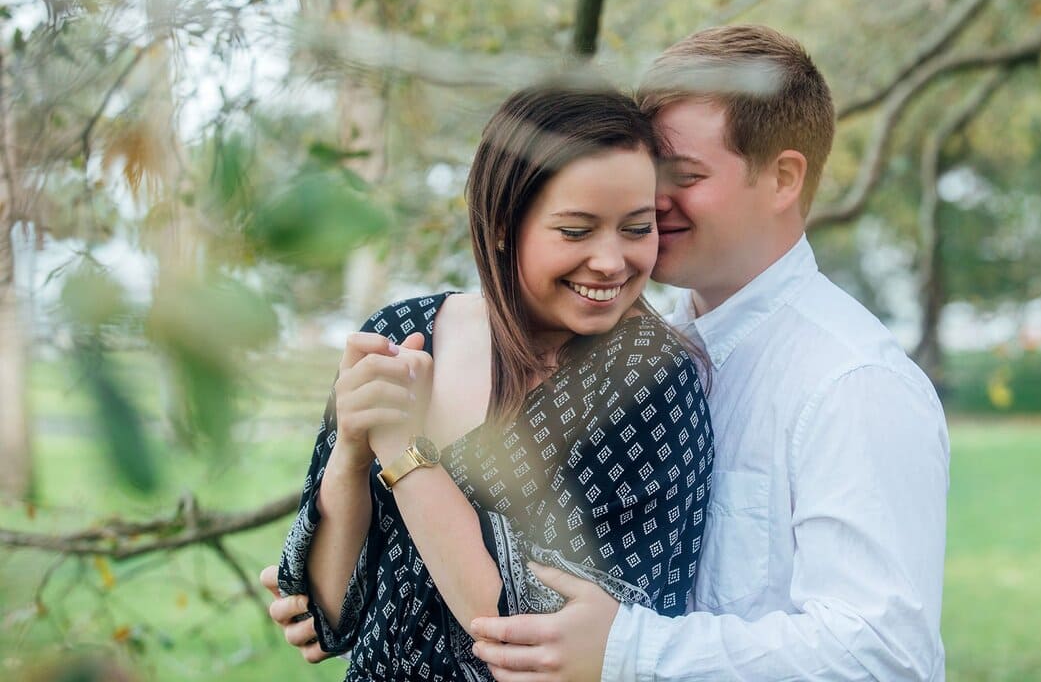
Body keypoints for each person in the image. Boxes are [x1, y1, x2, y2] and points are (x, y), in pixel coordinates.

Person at [465, 25, 951, 680]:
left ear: (782, 178)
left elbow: (883, 655)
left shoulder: (851, 381)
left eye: (684, 176)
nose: (649, 201)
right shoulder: (628, 352)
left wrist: (628, 652)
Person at [269, 83, 714, 681]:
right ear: (503, 224)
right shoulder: (403, 333)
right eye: (577, 231)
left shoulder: (648, 382)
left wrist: (403, 451)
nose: (611, 261)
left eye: (636, 229)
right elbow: (325, 617)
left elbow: (523, 639)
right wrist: (351, 449)